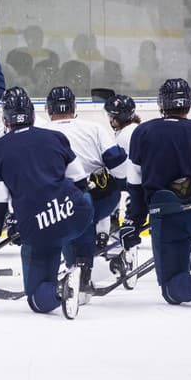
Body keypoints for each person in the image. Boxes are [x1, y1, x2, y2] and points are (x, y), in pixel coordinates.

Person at [0, 87, 94, 319]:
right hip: (77, 213)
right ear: (33, 115)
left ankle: (60, 286)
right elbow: (80, 182)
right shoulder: (56, 137)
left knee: (37, 298)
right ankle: (81, 264)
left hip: (40, 227)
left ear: (5, 120)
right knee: (77, 212)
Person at [127, 78, 191, 310]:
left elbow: (135, 184)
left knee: (171, 289)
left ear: (162, 104)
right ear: (189, 104)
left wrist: (133, 222)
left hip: (167, 217)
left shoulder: (142, 132)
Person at [41, 86, 128, 301]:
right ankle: (84, 266)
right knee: (84, 209)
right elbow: (117, 163)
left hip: (58, 202)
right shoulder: (94, 128)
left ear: (48, 109)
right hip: (102, 200)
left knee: (70, 215)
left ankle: (76, 267)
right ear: (74, 107)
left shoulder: (41, 132)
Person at [103, 94, 143, 282]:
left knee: (104, 188)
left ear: (115, 118)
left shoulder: (123, 136)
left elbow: (119, 170)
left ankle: (114, 233)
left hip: (134, 185)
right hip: (147, 183)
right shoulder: (138, 129)